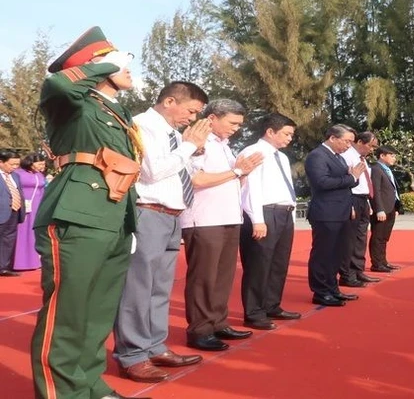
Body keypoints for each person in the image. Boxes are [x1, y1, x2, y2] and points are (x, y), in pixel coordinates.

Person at [30, 26, 145, 399]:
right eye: (116, 59)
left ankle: (89, 383)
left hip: (113, 215)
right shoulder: (74, 103)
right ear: (94, 65)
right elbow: (59, 85)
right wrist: (103, 66)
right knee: (68, 312)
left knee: (97, 312)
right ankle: (60, 392)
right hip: (76, 214)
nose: (127, 65)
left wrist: (129, 222)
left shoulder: (116, 110)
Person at [113, 81, 210, 384]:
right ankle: (132, 354)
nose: (192, 119)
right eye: (191, 111)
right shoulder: (144, 125)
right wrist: (189, 146)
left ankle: (154, 344)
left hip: (171, 215)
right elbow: (152, 171)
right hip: (148, 212)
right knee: (137, 287)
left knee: (159, 287)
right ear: (170, 101)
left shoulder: (172, 134)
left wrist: (192, 150)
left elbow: (181, 173)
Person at [180, 99, 263, 351]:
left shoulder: (225, 146)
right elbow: (196, 179)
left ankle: (218, 321)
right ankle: (200, 329)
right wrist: (237, 172)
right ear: (213, 117)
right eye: (232, 122)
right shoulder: (196, 140)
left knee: (223, 276)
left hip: (228, 216)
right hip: (204, 219)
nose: (236, 128)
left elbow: (231, 180)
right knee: (204, 277)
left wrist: (241, 174)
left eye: (239, 124)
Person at [237, 113, 302, 330]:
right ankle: (254, 312)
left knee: (278, 263)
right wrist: (257, 219)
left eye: (291, 134)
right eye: (286, 133)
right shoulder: (253, 152)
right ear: (270, 131)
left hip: (284, 213)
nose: (290, 138)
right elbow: (250, 188)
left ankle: (272, 304)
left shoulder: (281, 157)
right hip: (264, 213)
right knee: (259, 264)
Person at [304, 124, 366, 306]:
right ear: (332, 138)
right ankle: (321, 291)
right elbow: (322, 182)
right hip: (326, 212)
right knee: (323, 253)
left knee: (337, 254)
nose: (349, 145)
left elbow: (347, 183)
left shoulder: (337, 157)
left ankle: (332, 288)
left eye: (351, 142)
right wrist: (351, 177)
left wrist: (352, 178)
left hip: (341, 211)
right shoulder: (317, 156)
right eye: (346, 141)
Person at [338, 131, 381, 287]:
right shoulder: (348, 156)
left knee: (361, 238)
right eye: (371, 145)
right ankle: (347, 274)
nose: (372, 149)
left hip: (363, 199)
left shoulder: (362, 159)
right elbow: (348, 181)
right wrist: (349, 204)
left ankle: (357, 270)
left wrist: (368, 202)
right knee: (349, 239)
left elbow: (363, 182)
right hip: (352, 199)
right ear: (360, 142)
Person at [369, 146, 402, 273]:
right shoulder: (376, 169)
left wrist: (396, 207)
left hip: (390, 208)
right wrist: (379, 209)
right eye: (392, 155)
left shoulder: (386, 169)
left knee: (384, 237)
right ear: (382, 156)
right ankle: (377, 264)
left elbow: (393, 190)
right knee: (378, 236)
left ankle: (383, 262)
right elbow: (375, 190)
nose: (394, 158)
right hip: (382, 209)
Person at [13, 153, 47, 271]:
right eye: (40, 163)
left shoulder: (40, 175)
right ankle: (17, 262)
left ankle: (33, 262)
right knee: (21, 232)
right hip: (22, 206)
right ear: (31, 163)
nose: (42, 165)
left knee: (33, 233)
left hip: (37, 206)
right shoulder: (18, 173)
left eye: (43, 163)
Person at [0, 150, 24, 276]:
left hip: (13, 212)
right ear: (1, 162)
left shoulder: (15, 176)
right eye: (12, 164)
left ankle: (3, 267)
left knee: (8, 240)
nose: (15, 167)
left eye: (17, 164)